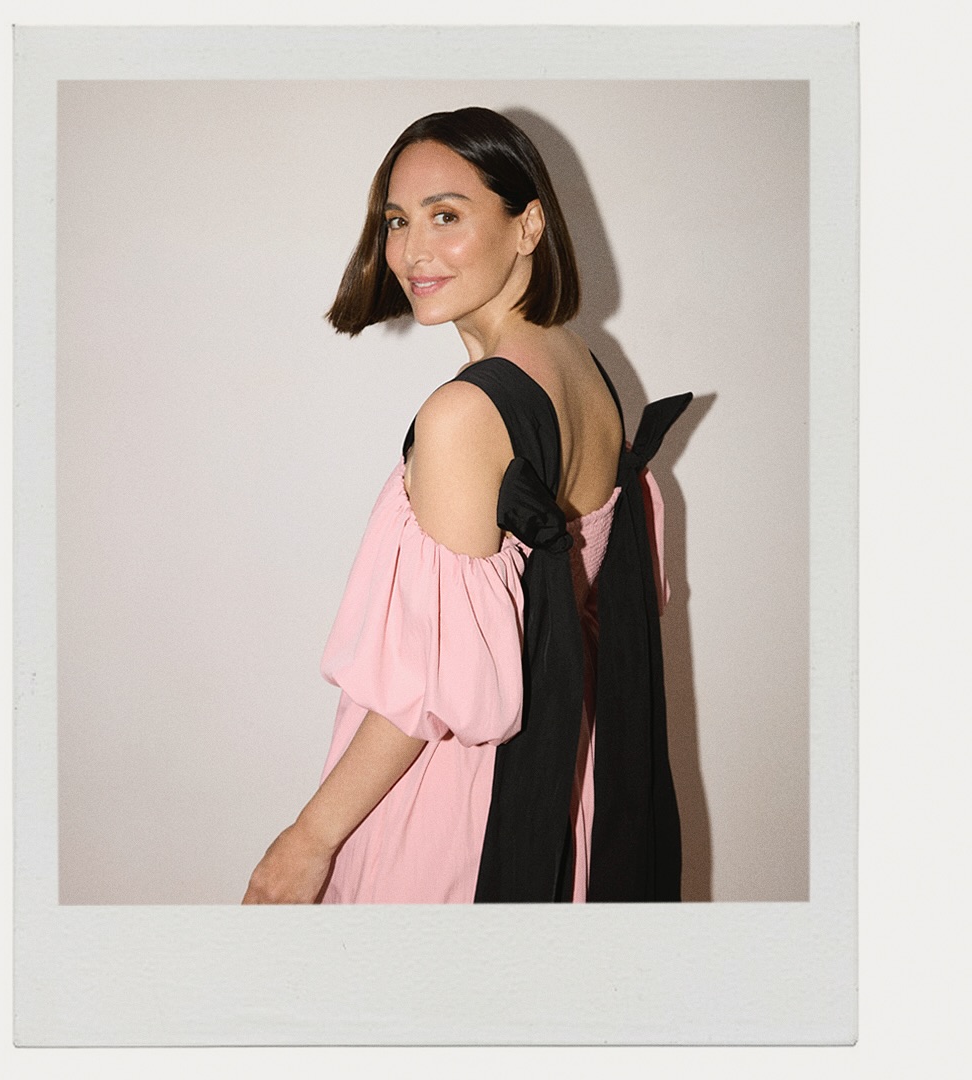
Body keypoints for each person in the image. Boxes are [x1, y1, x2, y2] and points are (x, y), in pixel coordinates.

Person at [242, 107, 690, 905]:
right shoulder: (582, 366)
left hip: (453, 803)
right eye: (397, 221)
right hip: (557, 782)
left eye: (445, 215)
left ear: (529, 226)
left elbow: (432, 688)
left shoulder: (465, 416)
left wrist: (307, 841)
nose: (413, 251)